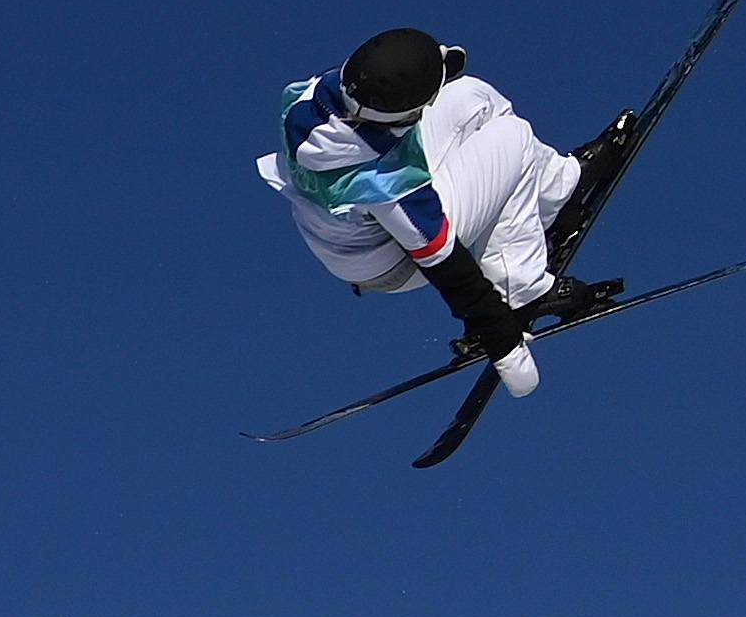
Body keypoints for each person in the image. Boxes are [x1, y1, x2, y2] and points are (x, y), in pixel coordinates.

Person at [264, 26, 629, 397]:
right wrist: (504, 344)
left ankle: (561, 188)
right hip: (390, 260)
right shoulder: (385, 181)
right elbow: (447, 267)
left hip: (358, 226)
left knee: (474, 97)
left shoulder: (320, 94)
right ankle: (521, 290)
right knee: (512, 138)